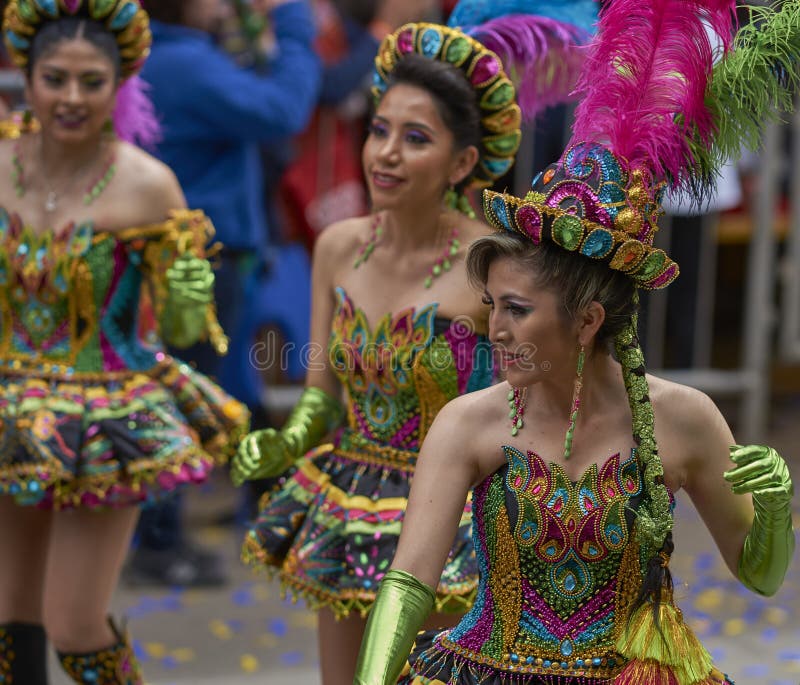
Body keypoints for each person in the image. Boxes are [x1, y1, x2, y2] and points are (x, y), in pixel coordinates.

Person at [353, 1, 798, 684]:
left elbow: (762, 576)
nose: (493, 328)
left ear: (588, 321)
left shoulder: (683, 418)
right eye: (492, 306)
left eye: (518, 310)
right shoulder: (469, 422)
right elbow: (411, 580)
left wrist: (772, 509)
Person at [231, 4, 597, 683]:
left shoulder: (493, 265)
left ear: (462, 161)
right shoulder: (338, 247)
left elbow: (541, 404)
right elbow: (321, 393)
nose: (387, 153)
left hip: (454, 515)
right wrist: (285, 442)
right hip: (349, 501)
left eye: (415, 138)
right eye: (379, 130)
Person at [0, 1, 249, 682]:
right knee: (7, 615)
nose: (71, 98)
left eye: (91, 82)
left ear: (120, 85)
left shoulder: (148, 184)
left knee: (75, 624)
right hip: (9, 408)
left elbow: (183, 326)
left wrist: (190, 285)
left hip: (106, 419)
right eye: (55, 79)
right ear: (28, 75)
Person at [125, 0, 321, 587]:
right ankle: (158, 544)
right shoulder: (184, 63)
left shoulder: (173, 58)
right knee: (183, 399)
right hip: (200, 264)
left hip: (205, 258)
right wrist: (292, 20)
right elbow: (284, 110)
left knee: (200, 392)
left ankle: (169, 536)